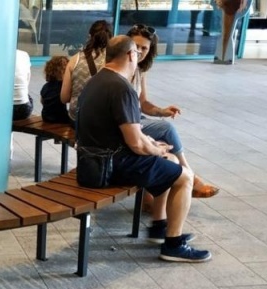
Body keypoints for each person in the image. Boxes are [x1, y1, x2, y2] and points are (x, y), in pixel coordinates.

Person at [76, 35, 211, 263]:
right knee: (184, 176)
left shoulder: (97, 81)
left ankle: (160, 227)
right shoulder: (121, 88)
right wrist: (156, 150)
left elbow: (131, 133)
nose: (139, 56)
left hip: (92, 162)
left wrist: (154, 146)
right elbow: (136, 144)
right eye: (137, 53)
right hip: (110, 167)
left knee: (172, 162)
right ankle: (173, 246)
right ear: (130, 55)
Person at [126, 24, 219, 199]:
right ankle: (191, 178)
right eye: (135, 46)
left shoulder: (140, 70)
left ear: (150, 50)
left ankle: (151, 200)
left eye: (144, 48)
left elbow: (143, 103)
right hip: (127, 122)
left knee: (163, 143)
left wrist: (162, 111)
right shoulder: (121, 69)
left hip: (136, 118)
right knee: (166, 130)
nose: (139, 51)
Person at [60, 20, 113, 126]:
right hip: (104, 120)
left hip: (78, 118)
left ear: (89, 36)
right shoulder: (114, 60)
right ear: (111, 38)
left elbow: (64, 98)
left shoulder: (74, 60)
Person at [40, 56, 70, 123]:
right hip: (61, 118)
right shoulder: (64, 86)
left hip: (46, 117)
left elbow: (42, 101)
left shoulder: (46, 86)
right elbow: (68, 100)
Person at [12, 49, 33, 121]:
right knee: (27, 96)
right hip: (24, 108)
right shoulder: (24, 54)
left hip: (3, 109)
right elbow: (27, 80)